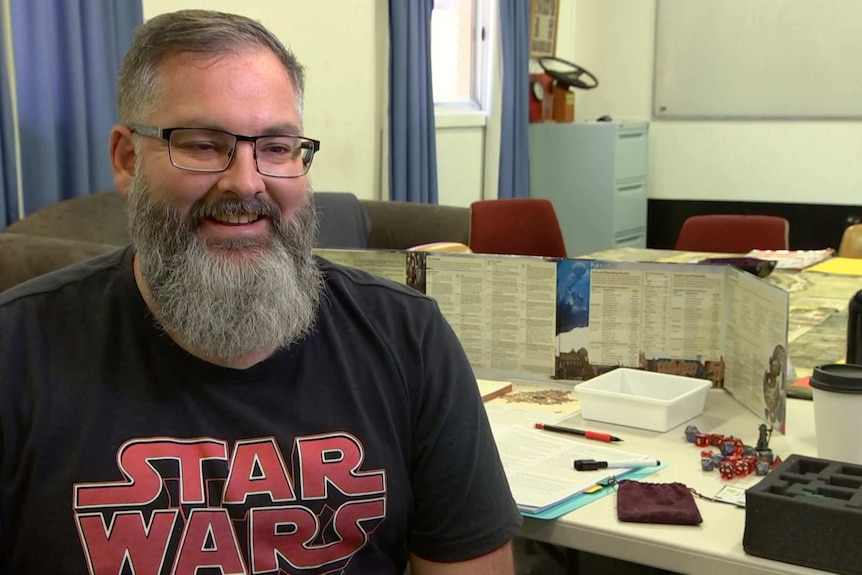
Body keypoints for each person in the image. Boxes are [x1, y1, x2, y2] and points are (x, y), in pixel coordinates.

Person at [0, 10, 521, 574]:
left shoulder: (408, 340)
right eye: (202, 144)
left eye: (276, 147)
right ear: (127, 160)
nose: (246, 182)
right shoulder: (17, 353)